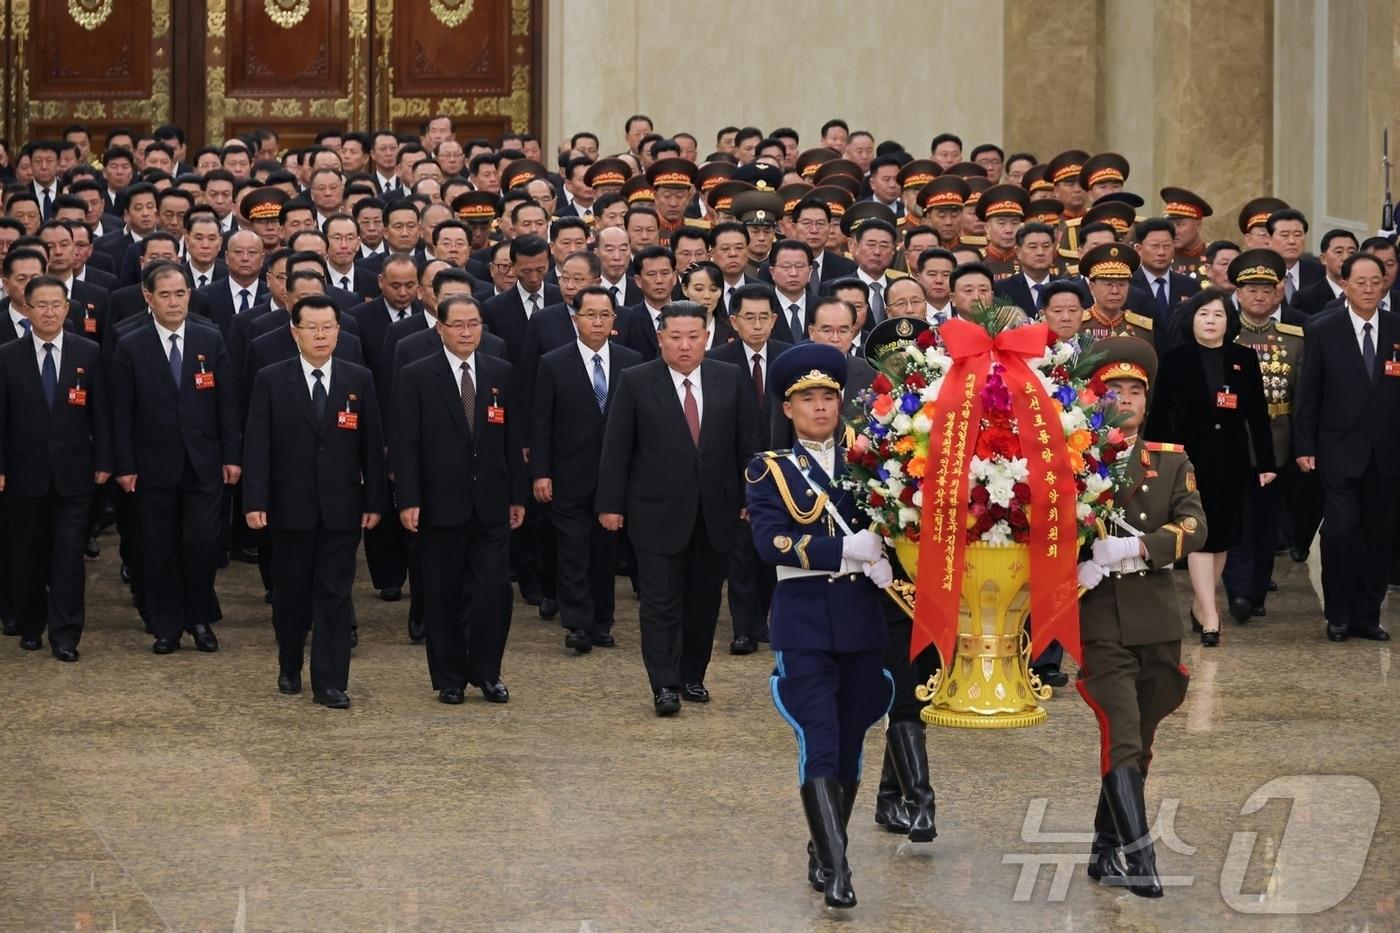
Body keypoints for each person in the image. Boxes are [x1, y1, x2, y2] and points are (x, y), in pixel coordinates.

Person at [745, 342, 894, 909]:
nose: (820, 407)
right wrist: (845, 550)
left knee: (852, 738)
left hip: (861, 618)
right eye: (807, 398)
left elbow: (897, 525)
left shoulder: (873, 462)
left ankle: (825, 844)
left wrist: (887, 556)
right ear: (788, 408)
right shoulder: (770, 469)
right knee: (819, 738)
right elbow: (771, 542)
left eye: (828, 396)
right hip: (804, 617)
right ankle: (837, 866)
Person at [1075, 335, 1205, 898]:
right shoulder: (1072, 459)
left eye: (1135, 390)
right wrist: (1079, 562)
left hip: (1156, 618)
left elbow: (1195, 526)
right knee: (1122, 735)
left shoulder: (1170, 460)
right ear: (1095, 397)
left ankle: (1104, 847)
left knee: (1141, 742)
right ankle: (1141, 856)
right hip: (1098, 615)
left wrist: (1134, 548)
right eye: (1114, 390)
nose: (1125, 399)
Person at [596, 301, 761, 714]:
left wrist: (750, 497)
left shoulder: (729, 377)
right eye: (675, 337)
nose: (685, 346)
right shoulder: (636, 381)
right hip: (656, 513)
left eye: (693, 337)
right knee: (660, 603)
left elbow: (748, 444)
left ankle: (692, 676)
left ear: (707, 337)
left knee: (704, 602)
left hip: (716, 511)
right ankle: (664, 684)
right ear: (660, 339)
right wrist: (610, 504)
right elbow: (617, 449)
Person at [242, 295, 385, 707]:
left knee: (335, 594)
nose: (321, 335)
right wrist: (255, 500)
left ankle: (330, 681)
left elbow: (372, 445)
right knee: (292, 594)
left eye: (328, 327)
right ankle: (289, 663)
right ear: (295, 332)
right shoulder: (272, 379)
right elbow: (258, 445)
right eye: (312, 328)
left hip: (342, 507)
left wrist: (374, 501)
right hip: (290, 507)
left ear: (339, 331)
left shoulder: (358, 379)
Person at [394, 295, 526, 703]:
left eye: (474, 324)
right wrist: (408, 499)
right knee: (442, 593)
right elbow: (406, 443)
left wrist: (517, 495)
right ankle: (449, 677)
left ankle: (487, 672)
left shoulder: (501, 372)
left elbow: (513, 440)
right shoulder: (417, 375)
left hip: (491, 503)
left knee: (494, 592)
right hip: (439, 503)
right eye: (458, 325)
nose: (467, 332)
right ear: (440, 329)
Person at [111, 262, 240, 654]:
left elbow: (227, 403)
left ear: (189, 295)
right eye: (164, 295)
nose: (173, 302)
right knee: (159, 547)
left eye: (180, 294)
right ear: (148, 297)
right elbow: (121, 412)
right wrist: (125, 464)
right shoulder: (129, 343)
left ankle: (198, 617)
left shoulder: (210, 337)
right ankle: (166, 625)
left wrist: (232, 456)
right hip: (152, 464)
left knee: (202, 543)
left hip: (204, 461)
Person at [1146, 288, 1274, 645]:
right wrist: (1154, 459)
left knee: (1222, 538)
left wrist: (1266, 463)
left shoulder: (1243, 358)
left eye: (1218, 315)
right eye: (1203, 314)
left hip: (1232, 460)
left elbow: (1257, 415)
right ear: (1192, 320)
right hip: (1189, 460)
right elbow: (1160, 414)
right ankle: (1212, 614)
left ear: (1228, 321)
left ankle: (1200, 606)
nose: (1210, 321)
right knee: (1199, 536)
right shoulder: (1176, 359)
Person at [0, 275, 110, 660]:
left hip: (74, 474)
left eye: (56, 305)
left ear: (67, 308)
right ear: (27, 309)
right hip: (23, 474)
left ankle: (65, 635)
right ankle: (31, 623)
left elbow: (101, 414)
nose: (49, 312)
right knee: (27, 555)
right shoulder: (7, 356)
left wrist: (105, 462)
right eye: (41, 305)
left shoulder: (88, 352)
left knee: (68, 557)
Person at [1294, 253, 1400, 643]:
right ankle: (1337, 614)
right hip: (1337, 448)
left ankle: (1367, 616)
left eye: (1376, 281)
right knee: (1340, 531)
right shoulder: (1323, 329)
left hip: (1387, 452)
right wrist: (1304, 445)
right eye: (1361, 282)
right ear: (1345, 284)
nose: (1369, 289)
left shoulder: (1397, 327)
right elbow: (1309, 393)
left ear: (1385, 283)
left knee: (1378, 534)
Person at [530, 286, 642, 654]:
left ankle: (601, 622)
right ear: (575, 319)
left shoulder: (631, 361)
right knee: (572, 550)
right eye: (590, 314)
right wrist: (541, 472)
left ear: (614, 319)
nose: (597, 321)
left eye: (604, 315)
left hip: (614, 477)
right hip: (568, 474)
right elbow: (541, 423)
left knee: (604, 552)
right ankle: (577, 623)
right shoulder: (553, 362)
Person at [708, 282, 793, 653]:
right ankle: (743, 628)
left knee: (773, 552)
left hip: (782, 474)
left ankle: (766, 622)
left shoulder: (789, 358)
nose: (757, 325)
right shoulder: (716, 361)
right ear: (734, 321)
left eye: (763, 318)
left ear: (774, 319)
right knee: (740, 555)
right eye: (749, 318)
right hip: (735, 473)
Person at [1221, 250, 1305, 622]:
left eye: (1266, 290)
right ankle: (1238, 591)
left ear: (1277, 294)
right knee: (1234, 518)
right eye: (1251, 290)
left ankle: (1256, 591)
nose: (1258, 296)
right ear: (1238, 293)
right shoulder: (1225, 334)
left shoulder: (1293, 339)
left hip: (1276, 442)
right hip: (1232, 441)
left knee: (1266, 522)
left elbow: (1302, 398)